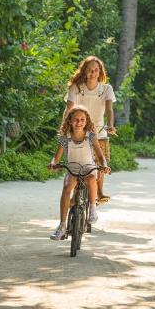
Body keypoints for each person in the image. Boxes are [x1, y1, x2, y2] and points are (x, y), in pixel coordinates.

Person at [48, 105, 111, 241]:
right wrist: (53, 163)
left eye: (82, 119)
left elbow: (100, 157)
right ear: (70, 120)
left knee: (90, 180)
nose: (79, 122)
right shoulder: (65, 137)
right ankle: (62, 226)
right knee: (67, 187)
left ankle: (92, 209)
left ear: (86, 121)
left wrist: (104, 166)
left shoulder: (90, 136)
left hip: (88, 168)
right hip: (73, 169)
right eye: (76, 119)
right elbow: (57, 157)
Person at [65, 55, 116, 202]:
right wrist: (65, 126)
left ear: (100, 72)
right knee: (77, 164)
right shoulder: (76, 88)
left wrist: (111, 125)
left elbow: (109, 110)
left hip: (99, 131)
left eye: (96, 70)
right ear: (84, 71)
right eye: (89, 70)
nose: (93, 73)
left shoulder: (106, 89)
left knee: (101, 163)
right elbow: (69, 109)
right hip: (79, 130)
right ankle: (75, 194)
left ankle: (99, 192)